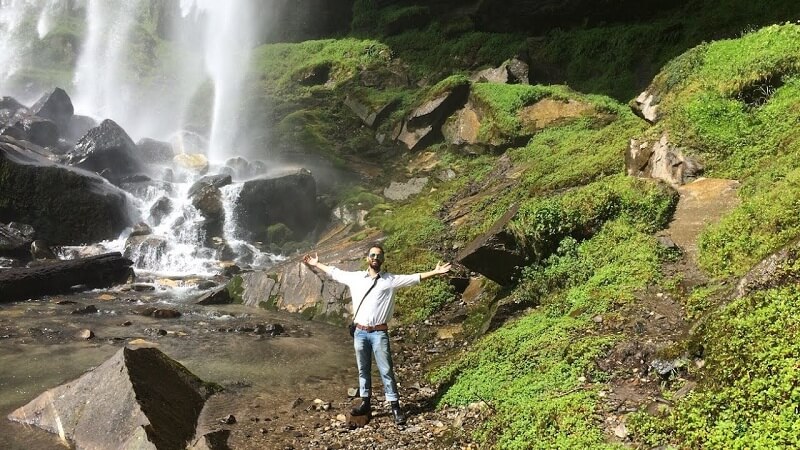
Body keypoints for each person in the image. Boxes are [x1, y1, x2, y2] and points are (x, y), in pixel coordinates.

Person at [303, 244, 451, 426]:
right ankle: (365, 403)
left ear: (382, 260)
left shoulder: (390, 280)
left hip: (379, 332)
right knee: (363, 369)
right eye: (372, 255)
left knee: (386, 370)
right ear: (367, 258)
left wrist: (435, 272)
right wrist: (317, 264)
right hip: (360, 332)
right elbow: (335, 272)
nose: (375, 258)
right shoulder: (356, 278)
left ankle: (395, 406)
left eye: (379, 256)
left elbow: (414, 278)